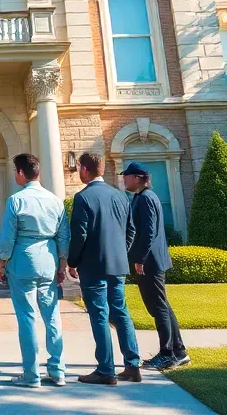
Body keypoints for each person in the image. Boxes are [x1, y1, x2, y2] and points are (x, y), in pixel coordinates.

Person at [0, 152, 71, 389]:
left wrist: (1, 262)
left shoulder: (16, 200)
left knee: (27, 318)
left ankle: (31, 374)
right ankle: (57, 371)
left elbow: (7, 238)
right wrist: (62, 263)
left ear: (20, 172)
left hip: (23, 261)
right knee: (52, 317)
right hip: (48, 259)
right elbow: (63, 236)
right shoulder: (55, 200)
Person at [67, 152, 142, 384]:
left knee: (99, 314)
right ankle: (132, 366)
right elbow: (131, 230)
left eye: (79, 168)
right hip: (117, 265)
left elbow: (79, 234)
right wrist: (121, 252)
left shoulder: (83, 198)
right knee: (120, 312)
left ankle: (106, 370)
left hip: (93, 265)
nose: (79, 171)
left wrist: (72, 261)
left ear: (85, 170)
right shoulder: (121, 197)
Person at [122, 161, 189, 370]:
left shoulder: (145, 198)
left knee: (158, 307)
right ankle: (179, 351)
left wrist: (140, 258)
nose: (124, 179)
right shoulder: (143, 197)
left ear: (137, 178)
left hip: (150, 261)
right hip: (150, 260)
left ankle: (167, 354)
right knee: (161, 305)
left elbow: (148, 232)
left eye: (127, 176)